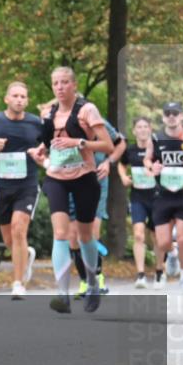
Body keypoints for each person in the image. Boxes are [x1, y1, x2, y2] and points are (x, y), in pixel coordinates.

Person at [27, 68, 113, 314]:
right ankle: (62, 294)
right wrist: (42, 150)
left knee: (85, 236)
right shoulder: (49, 112)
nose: (60, 87)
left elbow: (107, 145)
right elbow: (49, 141)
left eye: (65, 82)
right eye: (56, 83)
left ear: (74, 85)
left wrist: (78, 142)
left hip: (85, 177)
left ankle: (92, 282)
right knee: (61, 233)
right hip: (56, 178)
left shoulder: (87, 110)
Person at [0, 82, 41, 299]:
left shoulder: (35, 123)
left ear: (27, 101)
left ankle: (18, 283)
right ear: (7, 99)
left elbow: (47, 148)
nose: (19, 99)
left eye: (23, 96)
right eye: (15, 95)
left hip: (27, 185)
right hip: (2, 186)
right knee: (10, 240)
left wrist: (41, 154)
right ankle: (25, 255)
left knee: (19, 229)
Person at [68, 117, 124, 298]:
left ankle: (97, 277)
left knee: (91, 232)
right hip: (69, 181)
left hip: (96, 181)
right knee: (73, 238)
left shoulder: (94, 118)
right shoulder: (58, 119)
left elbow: (120, 143)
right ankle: (84, 281)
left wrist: (108, 162)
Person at [145, 101, 183, 294]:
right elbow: (147, 160)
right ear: (163, 117)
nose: (171, 116)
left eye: (175, 113)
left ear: (181, 117)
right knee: (162, 243)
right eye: (168, 113)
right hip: (163, 194)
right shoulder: (155, 138)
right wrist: (152, 167)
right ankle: (171, 254)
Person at [119, 117, 160, 288]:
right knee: (138, 234)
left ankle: (159, 271)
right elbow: (121, 165)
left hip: (157, 197)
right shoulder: (130, 150)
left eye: (145, 126)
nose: (142, 130)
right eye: (139, 127)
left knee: (157, 237)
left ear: (150, 129)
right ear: (134, 130)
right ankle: (141, 275)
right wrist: (123, 177)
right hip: (138, 197)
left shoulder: (157, 150)